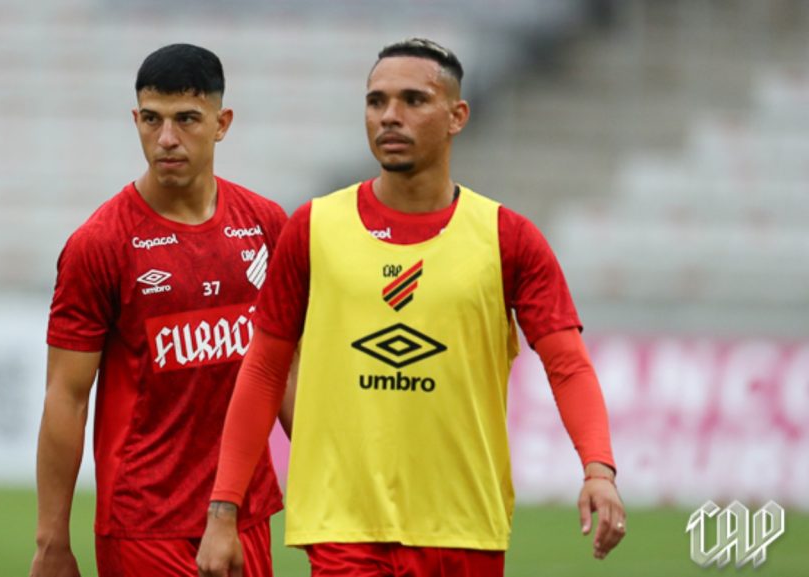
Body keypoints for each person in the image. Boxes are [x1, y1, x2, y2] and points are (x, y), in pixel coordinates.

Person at [196, 37, 626, 577]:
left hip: (462, 527)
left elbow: (567, 364)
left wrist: (598, 469)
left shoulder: (507, 238)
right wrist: (223, 509)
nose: (389, 116)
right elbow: (262, 370)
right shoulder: (313, 228)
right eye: (376, 101)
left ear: (457, 115)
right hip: (343, 529)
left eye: (413, 100)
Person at [29, 44, 288, 577]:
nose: (166, 138)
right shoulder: (100, 244)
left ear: (222, 123)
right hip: (145, 523)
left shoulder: (266, 224)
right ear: (136, 120)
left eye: (186, 119)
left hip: (245, 512)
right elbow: (67, 396)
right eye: (152, 119)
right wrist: (52, 540)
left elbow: (285, 370)